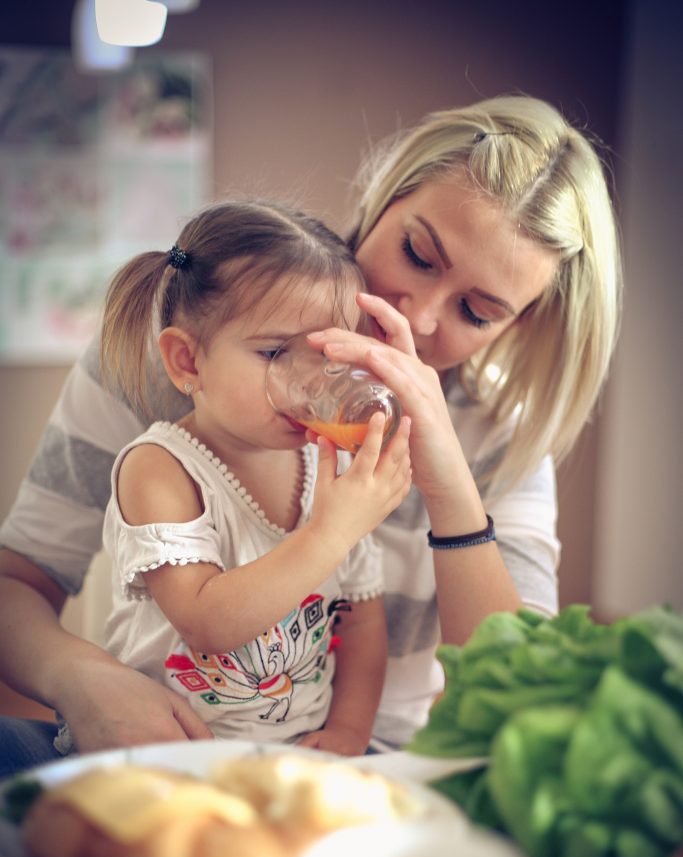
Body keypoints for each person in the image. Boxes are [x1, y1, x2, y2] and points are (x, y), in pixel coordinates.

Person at [0, 94, 622, 773]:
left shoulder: (504, 429)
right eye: (416, 253)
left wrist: (446, 484)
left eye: (476, 311)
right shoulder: (181, 359)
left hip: (373, 763)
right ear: (384, 200)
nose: (416, 320)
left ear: (517, 325)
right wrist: (84, 679)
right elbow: (17, 581)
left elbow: (519, 700)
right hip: (169, 739)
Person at [57, 199, 413, 761]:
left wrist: (348, 733)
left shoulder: (332, 469)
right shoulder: (160, 468)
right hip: (166, 756)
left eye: (328, 354)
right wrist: (329, 533)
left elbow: (364, 626)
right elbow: (207, 622)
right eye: (275, 351)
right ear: (188, 362)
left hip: (296, 758)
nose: (311, 380)